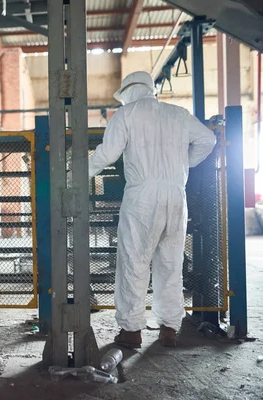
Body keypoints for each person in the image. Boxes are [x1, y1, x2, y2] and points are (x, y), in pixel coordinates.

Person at [88, 71, 216, 348]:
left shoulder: (126, 115)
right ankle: (169, 327)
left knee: (134, 262)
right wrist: (185, 164)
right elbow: (208, 140)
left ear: (128, 94)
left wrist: (79, 173)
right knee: (170, 263)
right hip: (175, 194)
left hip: (142, 196)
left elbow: (107, 154)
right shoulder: (179, 114)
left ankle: (132, 331)